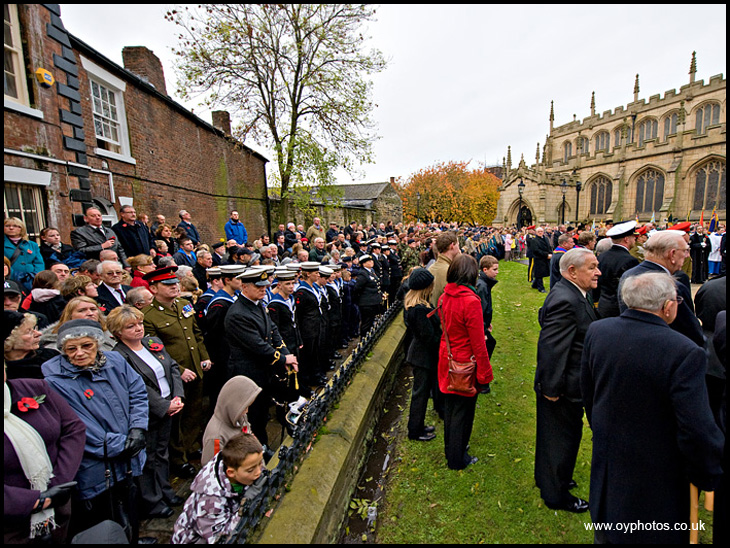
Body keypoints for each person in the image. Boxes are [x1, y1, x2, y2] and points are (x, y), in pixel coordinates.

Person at [580, 272, 723, 543]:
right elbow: (696, 426)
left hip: (611, 457)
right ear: (667, 307)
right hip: (659, 472)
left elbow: (589, 391)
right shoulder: (683, 350)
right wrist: (708, 473)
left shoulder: (599, 331)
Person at [41, 319, 149, 542]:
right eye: (72, 349)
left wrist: (138, 428)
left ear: (97, 344)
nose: (79, 353)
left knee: (130, 505)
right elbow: (77, 425)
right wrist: (122, 445)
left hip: (129, 455)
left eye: (86, 346)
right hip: (98, 465)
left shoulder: (116, 360)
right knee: (103, 519)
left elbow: (137, 392)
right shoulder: (55, 381)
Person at [534, 248, 600, 513]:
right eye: (592, 267)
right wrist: (551, 387)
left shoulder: (573, 292)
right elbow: (551, 347)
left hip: (568, 383)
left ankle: (550, 478)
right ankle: (556, 494)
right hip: (561, 388)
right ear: (572, 271)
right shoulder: (566, 298)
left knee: (558, 438)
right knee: (560, 439)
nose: (598, 272)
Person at [108, 305, 185, 519]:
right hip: (148, 412)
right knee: (148, 458)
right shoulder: (119, 356)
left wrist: (178, 396)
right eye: (130, 326)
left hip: (170, 404)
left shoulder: (152, 343)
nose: (138, 329)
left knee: (162, 453)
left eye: (139, 323)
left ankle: (165, 491)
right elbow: (137, 385)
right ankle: (152, 500)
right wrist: (163, 405)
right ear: (118, 332)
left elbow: (172, 368)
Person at [4, 364, 86, 543]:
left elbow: (73, 428)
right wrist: (37, 501)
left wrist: (59, 484)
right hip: (11, 523)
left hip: (57, 506)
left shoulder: (34, 388)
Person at [143, 266, 211, 478]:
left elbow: (196, 334)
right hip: (173, 375)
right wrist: (179, 370)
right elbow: (154, 349)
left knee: (194, 411)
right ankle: (178, 458)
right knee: (177, 418)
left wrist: (204, 356)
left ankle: (191, 447)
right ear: (154, 288)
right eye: (168, 284)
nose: (174, 287)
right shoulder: (148, 316)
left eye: (175, 283)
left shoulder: (184, 304)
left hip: (196, 367)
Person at [225, 266, 298, 447]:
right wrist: (282, 359)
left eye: (265, 286)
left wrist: (287, 353)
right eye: (258, 287)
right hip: (248, 372)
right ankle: (257, 447)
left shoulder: (258, 305)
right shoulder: (238, 314)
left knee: (262, 410)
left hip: (263, 370)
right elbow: (257, 345)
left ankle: (262, 444)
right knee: (253, 414)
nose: (263, 290)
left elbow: (273, 331)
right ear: (245, 287)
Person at [436, 254, 493, 470]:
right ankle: (457, 458)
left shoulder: (445, 296)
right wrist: (485, 374)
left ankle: (452, 449)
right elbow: (478, 343)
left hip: (447, 356)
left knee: (451, 408)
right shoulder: (470, 300)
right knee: (463, 411)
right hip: (463, 362)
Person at [172, 433, 264, 544]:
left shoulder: (234, 462)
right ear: (231, 473)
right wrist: (246, 505)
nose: (259, 472)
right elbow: (220, 539)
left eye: (260, 464)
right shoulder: (210, 500)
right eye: (251, 470)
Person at [618, 230, 704, 347]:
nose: (687, 255)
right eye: (685, 251)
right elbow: (691, 331)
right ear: (672, 254)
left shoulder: (629, 275)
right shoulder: (671, 285)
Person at [403, 268, 441, 442]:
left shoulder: (417, 305)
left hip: (422, 355)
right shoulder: (418, 309)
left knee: (422, 394)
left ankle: (418, 426)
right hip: (423, 357)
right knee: (420, 395)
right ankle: (415, 431)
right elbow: (428, 336)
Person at [201, 376, 262, 466]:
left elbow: (248, 433)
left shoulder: (240, 417)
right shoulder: (215, 437)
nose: (247, 411)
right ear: (233, 405)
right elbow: (213, 468)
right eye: (245, 407)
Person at [595, 221, 639, 318]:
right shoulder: (630, 261)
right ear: (626, 239)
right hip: (619, 309)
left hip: (603, 305)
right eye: (633, 236)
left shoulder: (602, 256)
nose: (635, 239)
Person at [4, 310, 60, 380]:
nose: (39, 333)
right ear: (9, 340)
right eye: (29, 332)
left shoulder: (51, 358)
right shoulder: (7, 370)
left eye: (35, 328)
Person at [4, 217, 44, 291]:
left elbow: (39, 262)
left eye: (15, 226)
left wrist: (36, 276)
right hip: (11, 279)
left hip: (31, 280)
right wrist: (15, 276)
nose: (11, 228)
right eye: (7, 226)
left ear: (21, 228)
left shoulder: (32, 245)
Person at [353, 255, 384, 338]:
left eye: (372, 261)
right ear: (364, 264)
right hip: (367, 302)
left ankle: (369, 338)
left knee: (371, 322)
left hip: (373, 301)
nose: (372, 262)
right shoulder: (363, 274)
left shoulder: (370, 271)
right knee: (367, 322)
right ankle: (364, 339)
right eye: (369, 261)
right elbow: (357, 288)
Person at [475, 255, 499, 361]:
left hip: (484, 324)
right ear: (485, 270)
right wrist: (483, 330)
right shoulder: (482, 286)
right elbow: (480, 310)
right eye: (494, 269)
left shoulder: (485, 284)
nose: (497, 272)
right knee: (489, 345)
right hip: (480, 327)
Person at [529, 227, 552, 293]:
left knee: (542, 272)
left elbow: (549, 247)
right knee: (539, 273)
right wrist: (546, 255)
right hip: (539, 258)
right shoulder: (534, 240)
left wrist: (550, 253)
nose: (540, 233)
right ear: (536, 232)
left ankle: (534, 285)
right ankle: (540, 287)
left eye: (541, 231)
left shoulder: (546, 239)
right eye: (538, 231)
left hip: (546, 258)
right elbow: (536, 250)